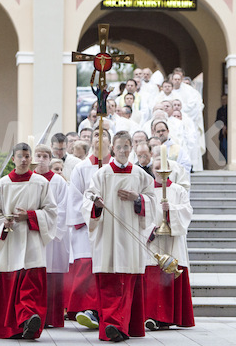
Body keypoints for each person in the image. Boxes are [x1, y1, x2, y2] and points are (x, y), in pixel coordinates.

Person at [82, 131, 156, 342]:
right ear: (112, 148)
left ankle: (118, 326)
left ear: (131, 148)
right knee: (109, 283)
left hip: (130, 238)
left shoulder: (141, 175)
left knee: (126, 282)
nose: (123, 150)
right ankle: (113, 325)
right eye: (119, 146)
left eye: (126, 146)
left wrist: (139, 198)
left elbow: (153, 202)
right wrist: (95, 204)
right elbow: (87, 200)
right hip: (106, 236)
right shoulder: (101, 174)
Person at [0, 142, 57, 339]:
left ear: (31, 159)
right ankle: (15, 327)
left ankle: (29, 320)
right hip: (11, 241)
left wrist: (30, 216)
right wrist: (3, 223)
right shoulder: (1, 185)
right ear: (12, 159)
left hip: (32, 241)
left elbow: (51, 212)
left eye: (27, 156)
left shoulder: (41, 183)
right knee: (12, 283)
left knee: (30, 286)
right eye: (20, 156)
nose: (24, 160)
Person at [65, 128, 112, 330]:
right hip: (88, 228)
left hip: (112, 228)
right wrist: (91, 214)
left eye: (104, 136)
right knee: (88, 268)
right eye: (96, 135)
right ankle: (89, 309)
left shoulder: (117, 168)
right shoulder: (81, 168)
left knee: (110, 268)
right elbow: (75, 198)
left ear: (110, 142)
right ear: (90, 140)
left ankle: (106, 310)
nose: (99, 139)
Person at [144, 156, 195, 331]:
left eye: (163, 167)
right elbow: (141, 215)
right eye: (157, 168)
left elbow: (187, 212)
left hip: (173, 240)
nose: (160, 171)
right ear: (152, 170)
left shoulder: (178, 190)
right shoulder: (147, 191)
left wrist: (171, 210)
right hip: (154, 239)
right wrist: (150, 229)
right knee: (153, 275)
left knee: (170, 274)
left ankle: (168, 317)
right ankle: (153, 316)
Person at [33, 144, 70, 328]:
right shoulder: (29, 180)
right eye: (38, 155)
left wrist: (50, 230)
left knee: (52, 277)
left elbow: (63, 208)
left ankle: (52, 317)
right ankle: (35, 316)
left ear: (50, 158)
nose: (41, 159)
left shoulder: (58, 181)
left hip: (52, 237)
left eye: (45, 156)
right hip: (32, 234)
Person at [215, 94, 228, 162]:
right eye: (222, 99)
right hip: (222, 134)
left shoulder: (230, 110)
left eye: (225, 99)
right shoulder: (219, 110)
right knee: (223, 149)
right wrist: (221, 126)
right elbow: (217, 122)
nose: (224, 101)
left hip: (229, 134)